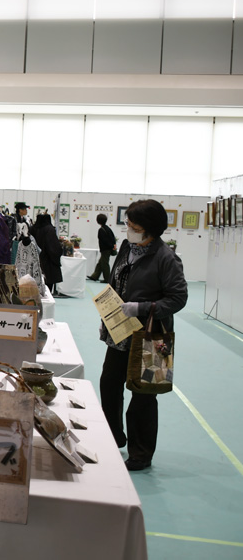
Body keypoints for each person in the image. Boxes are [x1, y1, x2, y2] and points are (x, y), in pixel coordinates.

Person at [99, 199, 187, 471]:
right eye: (128, 224)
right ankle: (113, 436)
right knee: (109, 383)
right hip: (121, 331)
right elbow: (116, 280)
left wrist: (143, 307)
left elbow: (178, 298)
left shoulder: (166, 257)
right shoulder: (128, 247)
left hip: (153, 336)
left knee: (144, 395)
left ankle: (140, 454)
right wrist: (107, 315)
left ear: (151, 230)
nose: (129, 230)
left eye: (134, 227)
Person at [31, 212, 62, 294]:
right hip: (48, 261)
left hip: (35, 260)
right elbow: (54, 247)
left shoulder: (33, 229)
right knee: (48, 285)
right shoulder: (49, 229)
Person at [88, 213, 117, 282]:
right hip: (108, 249)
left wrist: (110, 246)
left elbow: (104, 241)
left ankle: (107, 279)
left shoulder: (101, 230)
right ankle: (94, 276)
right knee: (100, 263)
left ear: (98, 221)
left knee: (104, 264)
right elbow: (113, 238)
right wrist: (113, 245)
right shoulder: (108, 228)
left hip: (105, 249)